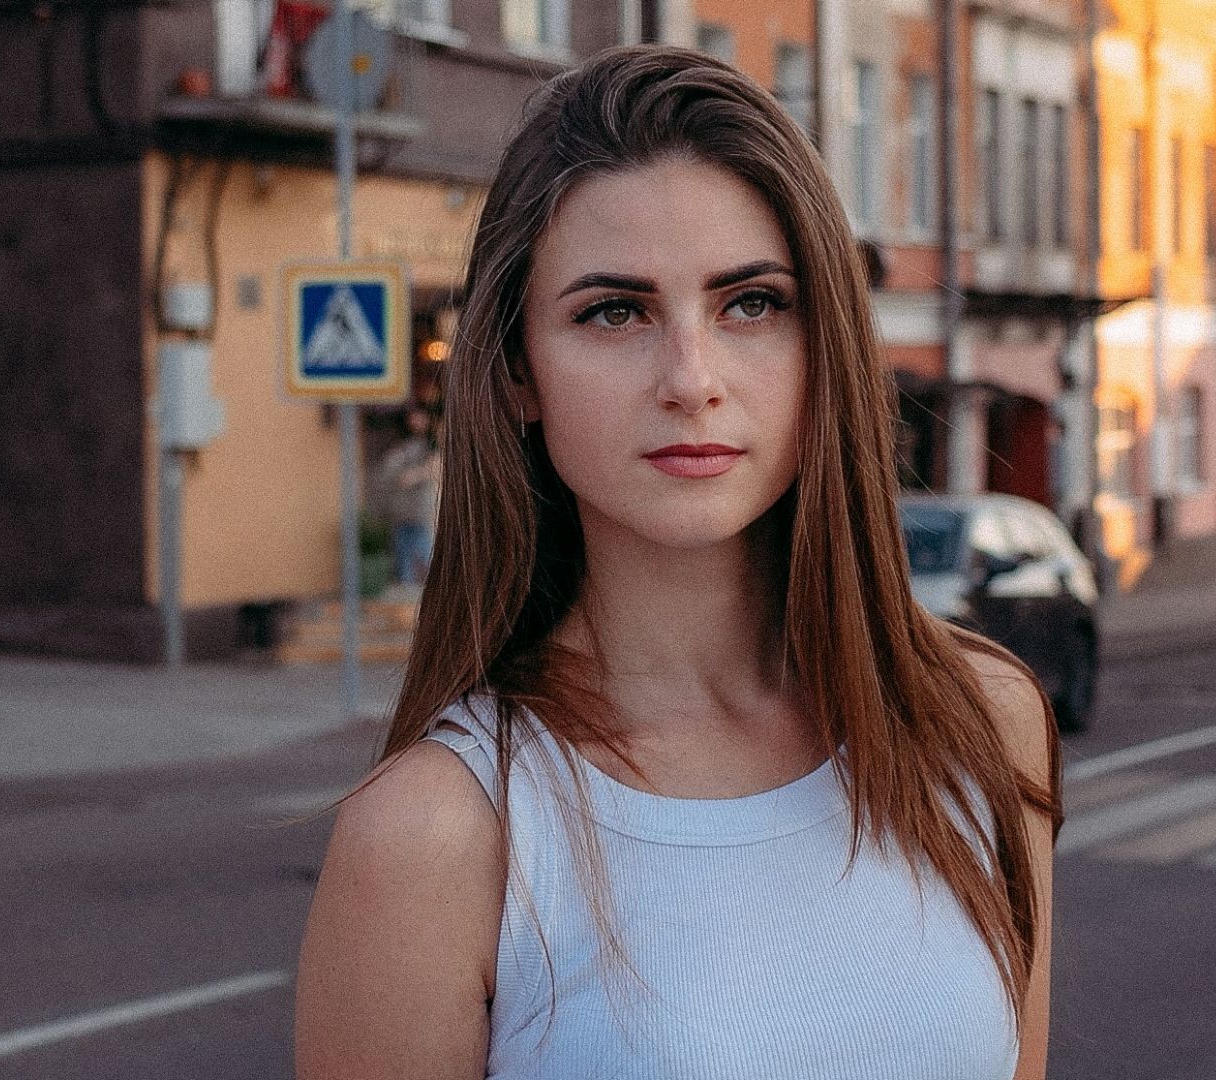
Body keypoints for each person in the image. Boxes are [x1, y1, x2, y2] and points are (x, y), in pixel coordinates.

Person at [295, 46, 1062, 1080]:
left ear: (823, 341)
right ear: (519, 372)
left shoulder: (980, 724)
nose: (691, 379)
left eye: (752, 303)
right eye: (615, 312)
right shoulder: (437, 835)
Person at [375, 406, 442, 586]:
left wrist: (414, 475)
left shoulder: (432, 443)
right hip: (400, 507)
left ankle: (435, 585)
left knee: (424, 548)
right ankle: (407, 586)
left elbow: (435, 466)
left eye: (419, 417)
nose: (415, 421)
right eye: (412, 417)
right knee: (403, 552)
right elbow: (389, 465)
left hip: (419, 507)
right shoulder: (403, 443)